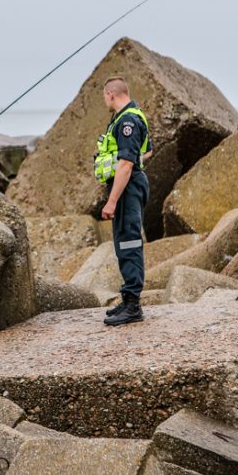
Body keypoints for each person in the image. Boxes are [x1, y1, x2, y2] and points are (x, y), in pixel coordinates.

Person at [95, 76, 152, 326]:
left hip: (128, 187)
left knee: (129, 242)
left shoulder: (127, 120)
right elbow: (147, 150)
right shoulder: (132, 115)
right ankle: (128, 298)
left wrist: (112, 201)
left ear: (110, 95)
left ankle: (133, 306)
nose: (104, 101)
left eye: (104, 97)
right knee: (123, 241)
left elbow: (127, 163)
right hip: (132, 183)